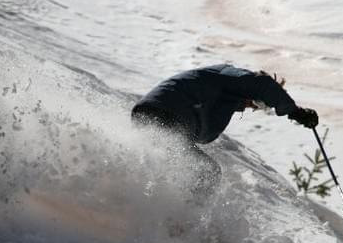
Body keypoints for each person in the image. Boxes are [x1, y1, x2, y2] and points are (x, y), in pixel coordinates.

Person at [131, 64, 319, 198]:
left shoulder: (224, 97)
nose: (254, 106)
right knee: (207, 171)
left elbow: (203, 134)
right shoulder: (233, 77)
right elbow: (263, 84)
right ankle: (184, 224)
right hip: (167, 113)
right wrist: (296, 112)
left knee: (169, 167)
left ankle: (146, 205)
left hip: (150, 115)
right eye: (261, 102)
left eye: (261, 107)